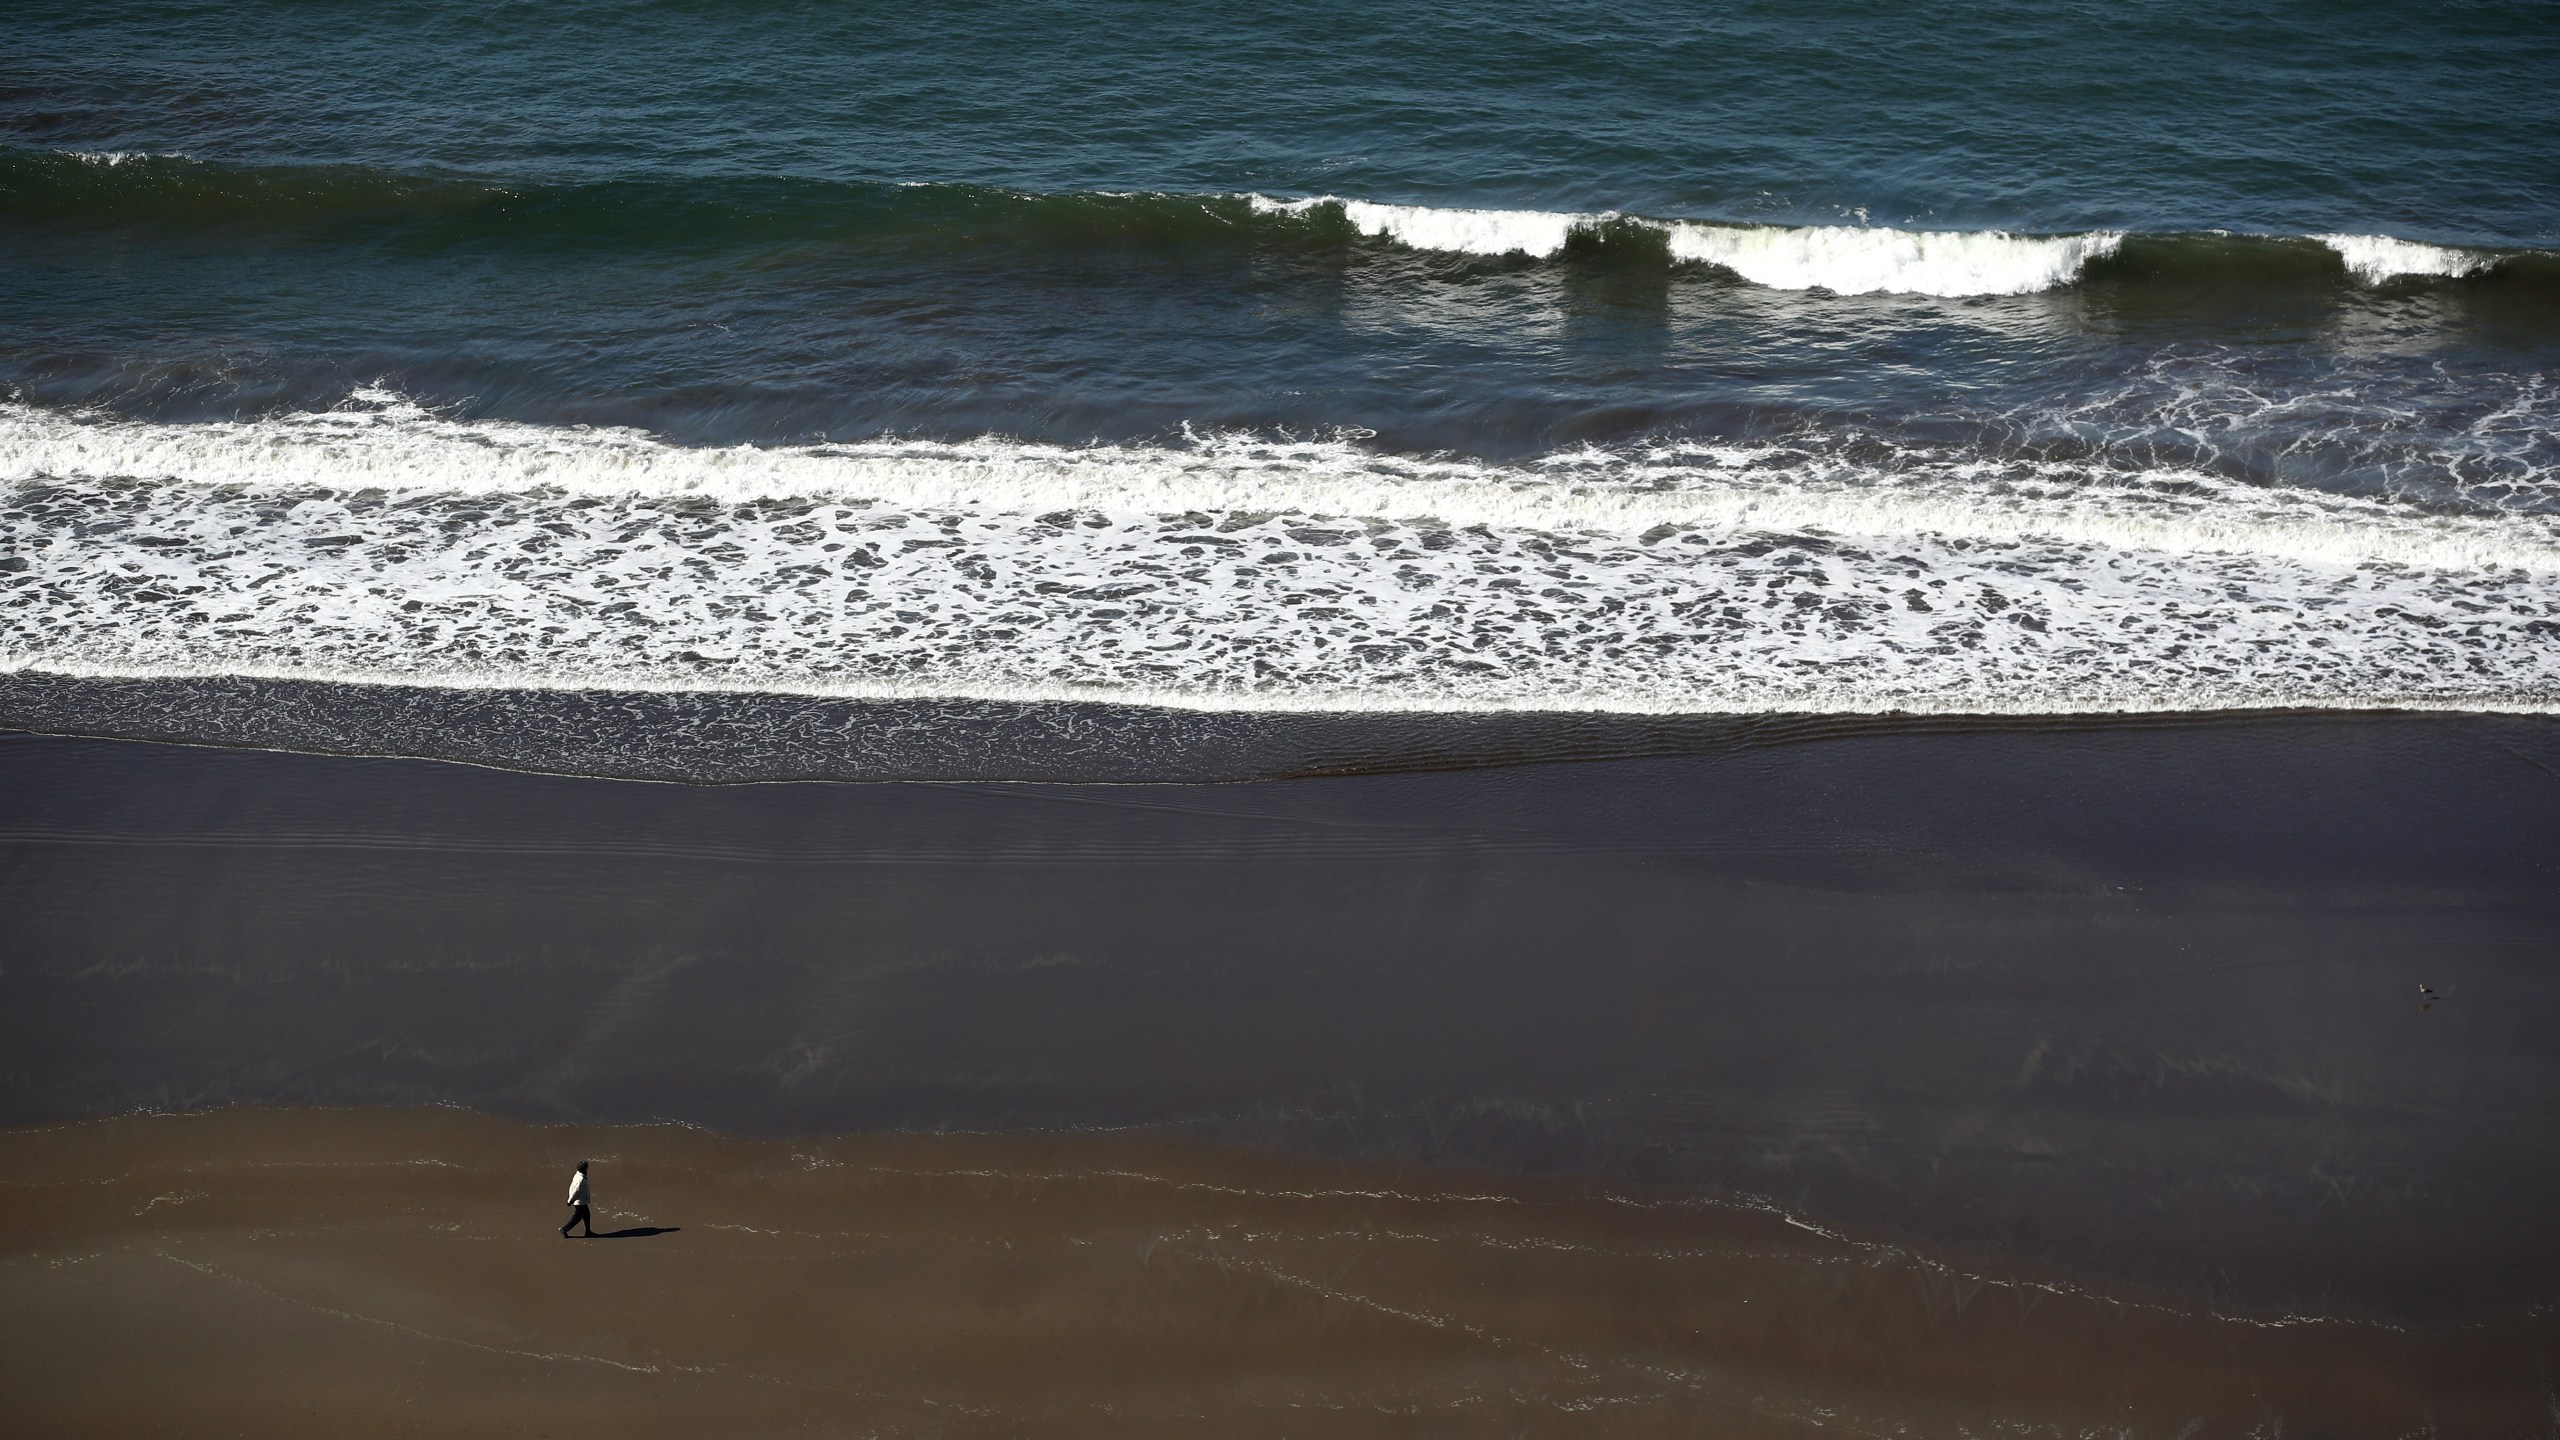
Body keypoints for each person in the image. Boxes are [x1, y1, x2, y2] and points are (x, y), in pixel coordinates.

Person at [560, 1160, 595, 1238]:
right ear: (584, 1169)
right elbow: (576, 1190)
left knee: (587, 1215)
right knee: (577, 1218)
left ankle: (588, 1231)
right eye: (586, 1168)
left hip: (581, 1201)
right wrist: (570, 1200)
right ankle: (564, 1229)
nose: (587, 1169)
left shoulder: (578, 1175)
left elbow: (571, 1187)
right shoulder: (581, 1179)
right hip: (580, 1202)